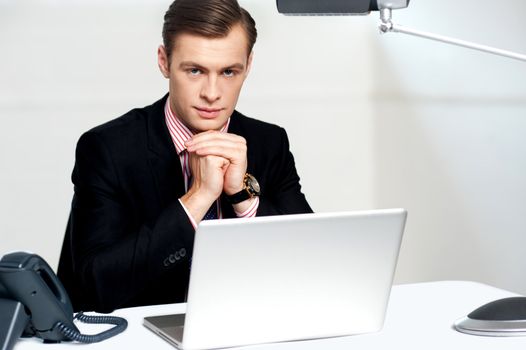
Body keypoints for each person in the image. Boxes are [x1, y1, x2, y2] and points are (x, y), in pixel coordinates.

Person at [58, 0, 312, 313]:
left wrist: (242, 196)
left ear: (248, 65)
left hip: (247, 325)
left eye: (229, 72)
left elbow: (309, 262)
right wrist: (198, 198)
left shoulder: (269, 142)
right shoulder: (108, 148)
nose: (212, 92)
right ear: (164, 62)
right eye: (195, 70)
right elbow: (92, 286)